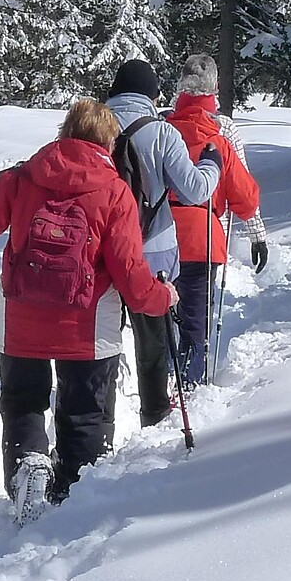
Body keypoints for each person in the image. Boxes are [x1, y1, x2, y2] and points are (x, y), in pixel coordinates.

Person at [0, 98, 178, 516]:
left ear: (64, 132)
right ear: (108, 142)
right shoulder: (115, 193)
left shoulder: (23, 176)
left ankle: (28, 467)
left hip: (20, 316)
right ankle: (74, 500)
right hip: (87, 326)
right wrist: (163, 295)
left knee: (22, 401)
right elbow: (132, 278)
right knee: (85, 413)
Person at [103, 59, 221, 427]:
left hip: (99, 249)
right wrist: (212, 165)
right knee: (153, 336)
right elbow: (194, 189)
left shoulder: (91, 126)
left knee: (101, 335)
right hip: (153, 249)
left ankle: (100, 415)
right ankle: (154, 412)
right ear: (152, 95)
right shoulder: (162, 132)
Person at [166, 53, 267, 386]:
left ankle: (162, 381)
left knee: (164, 314)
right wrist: (257, 236)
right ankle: (190, 383)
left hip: (160, 237)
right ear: (215, 89)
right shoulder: (221, 137)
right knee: (195, 318)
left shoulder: (162, 129)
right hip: (203, 238)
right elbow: (244, 193)